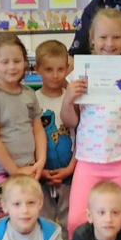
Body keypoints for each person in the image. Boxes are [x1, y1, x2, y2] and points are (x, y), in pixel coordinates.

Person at [61, 8, 121, 237]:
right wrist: (68, 99)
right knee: (77, 220)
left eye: (116, 37)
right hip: (89, 159)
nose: (109, 44)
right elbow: (70, 121)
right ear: (92, 39)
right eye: (103, 37)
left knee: (120, 221)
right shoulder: (79, 74)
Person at [0, 33, 46, 222]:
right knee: (1, 225)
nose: (12, 67)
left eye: (17, 61)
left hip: (28, 170)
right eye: (5, 62)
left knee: (27, 221)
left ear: (25, 62)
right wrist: (15, 170)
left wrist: (40, 161)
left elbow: (38, 130)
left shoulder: (29, 94)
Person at [34, 40, 76, 229]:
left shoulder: (72, 98)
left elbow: (81, 135)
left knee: (69, 222)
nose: (55, 75)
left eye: (60, 69)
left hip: (70, 174)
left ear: (67, 69)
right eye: (49, 69)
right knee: (44, 223)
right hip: (41, 175)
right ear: (38, 69)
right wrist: (39, 170)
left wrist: (71, 168)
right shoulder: (33, 100)